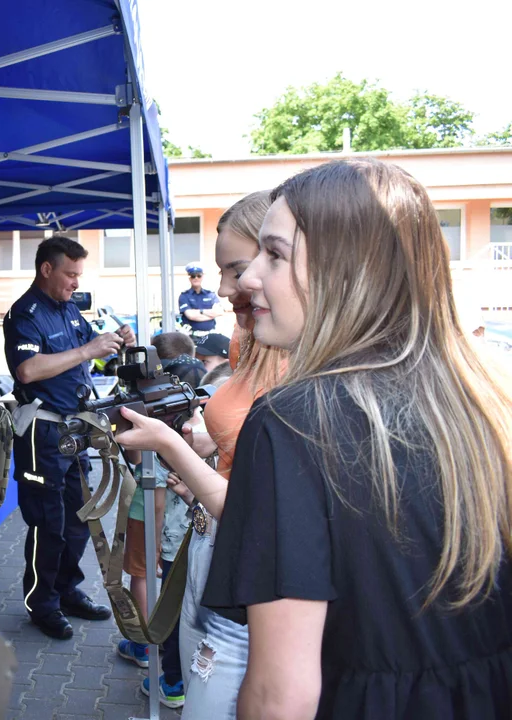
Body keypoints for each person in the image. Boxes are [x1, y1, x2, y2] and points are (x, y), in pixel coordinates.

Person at [127, 160, 512, 719]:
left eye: (274, 255)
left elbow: (281, 696)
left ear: (346, 271)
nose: (249, 279)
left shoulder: (292, 420)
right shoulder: (485, 396)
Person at [116, 190, 287, 720]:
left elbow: (261, 512)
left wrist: (171, 447)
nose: (222, 288)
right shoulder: (249, 336)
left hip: (251, 572)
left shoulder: (300, 356)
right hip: (211, 543)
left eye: (236, 270)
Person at [4, 235, 135, 639]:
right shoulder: (24, 314)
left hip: (76, 427)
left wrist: (115, 347)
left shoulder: (70, 312)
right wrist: (87, 350)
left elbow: (86, 356)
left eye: (79, 274)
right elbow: (27, 370)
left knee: (81, 518)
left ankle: (67, 591)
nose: (77, 282)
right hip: (41, 430)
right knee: (49, 523)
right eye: (70, 274)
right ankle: (41, 604)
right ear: (47, 269)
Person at [116, 331, 205, 707]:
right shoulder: (195, 415)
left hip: (165, 529)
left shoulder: (164, 428)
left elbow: (144, 480)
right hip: (188, 530)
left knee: (159, 595)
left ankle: (154, 659)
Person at [178, 262, 222, 336]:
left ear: (202, 277)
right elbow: (190, 315)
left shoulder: (210, 294)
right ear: (189, 278)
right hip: (192, 336)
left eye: (199, 275)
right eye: (193, 276)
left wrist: (200, 312)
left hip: (210, 335)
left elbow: (219, 312)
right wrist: (211, 314)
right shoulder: (184, 296)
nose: (196, 278)